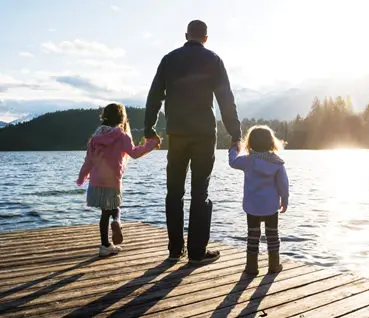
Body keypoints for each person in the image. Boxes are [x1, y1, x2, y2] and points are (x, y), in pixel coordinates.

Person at [144, 20, 242, 265]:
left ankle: (175, 249)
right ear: (206, 38)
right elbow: (226, 99)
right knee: (201, 192)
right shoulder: (214, 60)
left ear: (186, 35)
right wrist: (236, 133)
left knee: (174, 192)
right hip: (204, 135)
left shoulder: (169, 59)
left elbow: (154, 95)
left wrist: (149, 129)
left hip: (176, 134)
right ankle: (197, 252)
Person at [77, 103, 160, 257]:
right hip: (113, 180)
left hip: (96, 181)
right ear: (121, 118)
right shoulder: (122, 136)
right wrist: (151, 144)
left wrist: (82, 177)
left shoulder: (95, 139)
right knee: (115, 206)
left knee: (104, 213)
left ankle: (105, 245)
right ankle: (117, 221)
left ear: (104, 117)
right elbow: (134, 153)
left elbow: (88, 161)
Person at [228, 125, 289, 274]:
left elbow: (232, 162)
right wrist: (285, 200)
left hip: (253, 207)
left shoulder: (248, 161)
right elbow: (283, 184)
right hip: (271, 207)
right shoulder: (277, 163)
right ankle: (274, 265)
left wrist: (234, 148)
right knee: (272, 235)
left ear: (250, 143)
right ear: (271, 143)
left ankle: (251, 267)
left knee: (253, 236)